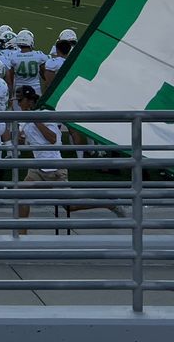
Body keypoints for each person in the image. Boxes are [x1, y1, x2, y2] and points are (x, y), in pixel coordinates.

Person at [10, 86, 126, 234]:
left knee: (70, 206)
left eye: (20, 101)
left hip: (55, 168)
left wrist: (35, 120)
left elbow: (53, 139)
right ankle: (22, 236)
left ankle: (109, 204)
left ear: (29, 100)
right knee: (21, 195)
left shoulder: (45, 114)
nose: (18, 104)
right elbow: (21, 142)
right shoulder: (24, 120)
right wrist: (19, 139)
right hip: (37, 167)